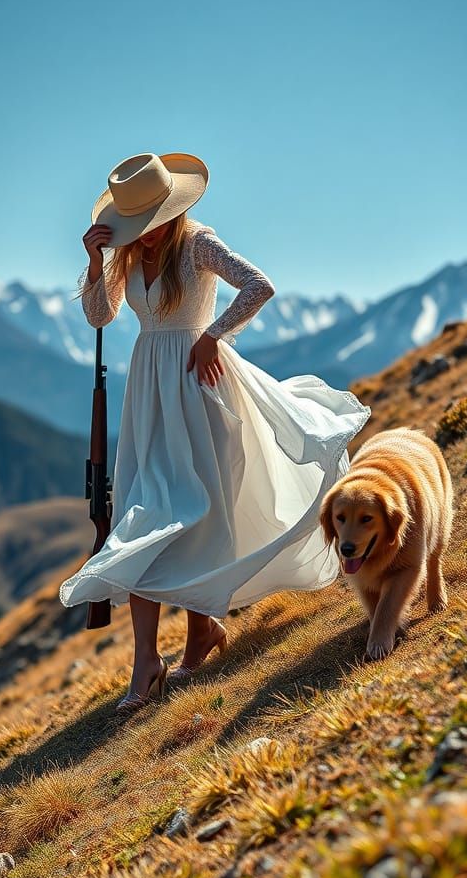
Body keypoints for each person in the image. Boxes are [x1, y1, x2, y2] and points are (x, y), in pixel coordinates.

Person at [58, 151, 372, 712]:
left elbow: (258, 286)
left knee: (194, 514)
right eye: (138, 226)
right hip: (150, 391)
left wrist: (212, 336)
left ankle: (195, 636)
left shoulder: (198, 243)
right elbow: (100, 316)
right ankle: (152, 656)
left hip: (201, 386)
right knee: (143, 513)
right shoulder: (125, 253)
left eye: (153, 223)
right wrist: (95, 259)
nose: (147, 234)